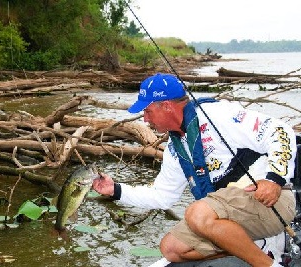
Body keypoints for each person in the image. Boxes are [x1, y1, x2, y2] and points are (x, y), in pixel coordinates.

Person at [92, 73, 297, 267]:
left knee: (196, 213)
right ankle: (253, 247)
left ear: (166, 106)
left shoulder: (218, 114)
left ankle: (268, 264)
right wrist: (115, 190)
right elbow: (162, 196)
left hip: (271, 202)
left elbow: (280, 131)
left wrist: (274, 179)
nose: (145, 119)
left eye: (147, 111)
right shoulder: (175, 148)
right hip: (232, 213)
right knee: (171, 248)